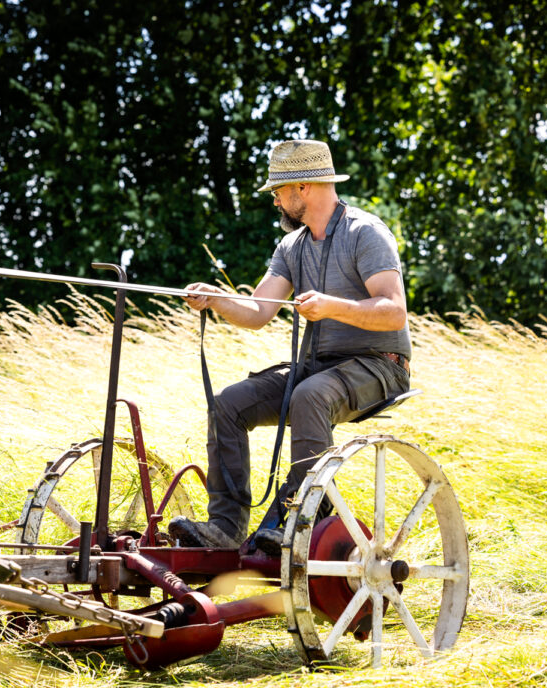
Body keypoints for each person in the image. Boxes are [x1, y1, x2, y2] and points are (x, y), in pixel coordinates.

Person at [168, 138, 411, 553]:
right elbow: (259, 311)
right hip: (320, 367)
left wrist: (332, 306)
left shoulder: (365, 233)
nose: (276, 201)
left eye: (279, 191)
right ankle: (226, 530)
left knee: (308, 395)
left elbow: (394, 311)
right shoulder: (292, 245)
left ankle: (299, 516)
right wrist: (216, 298)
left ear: (303, 187)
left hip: (380, 365)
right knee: (228, 403)